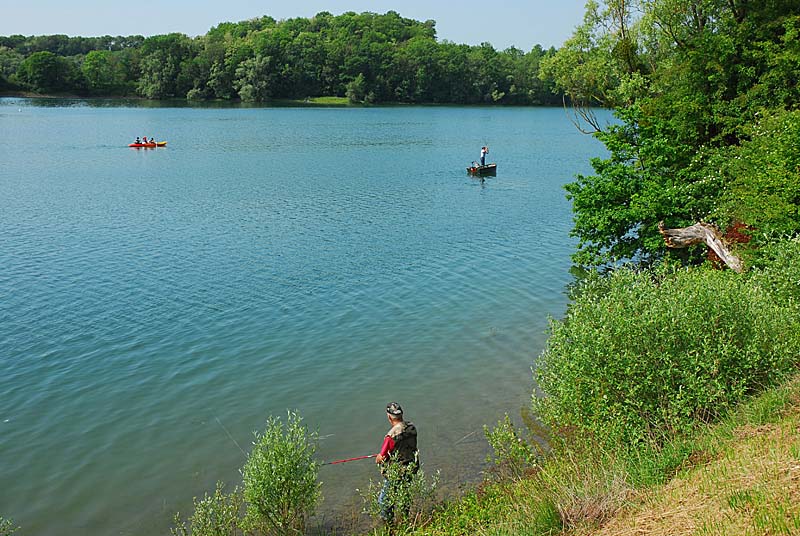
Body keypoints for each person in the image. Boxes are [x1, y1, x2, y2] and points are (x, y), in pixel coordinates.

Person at [376, 402, 418, 523]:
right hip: (411, 467)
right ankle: (406, 521)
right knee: (405, 495)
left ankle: (389, 526)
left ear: (389, 417)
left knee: (384, 501)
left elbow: (382, 457)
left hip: (397, 472)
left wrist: (378, 458)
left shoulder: (391, 435)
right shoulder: (411, 427)